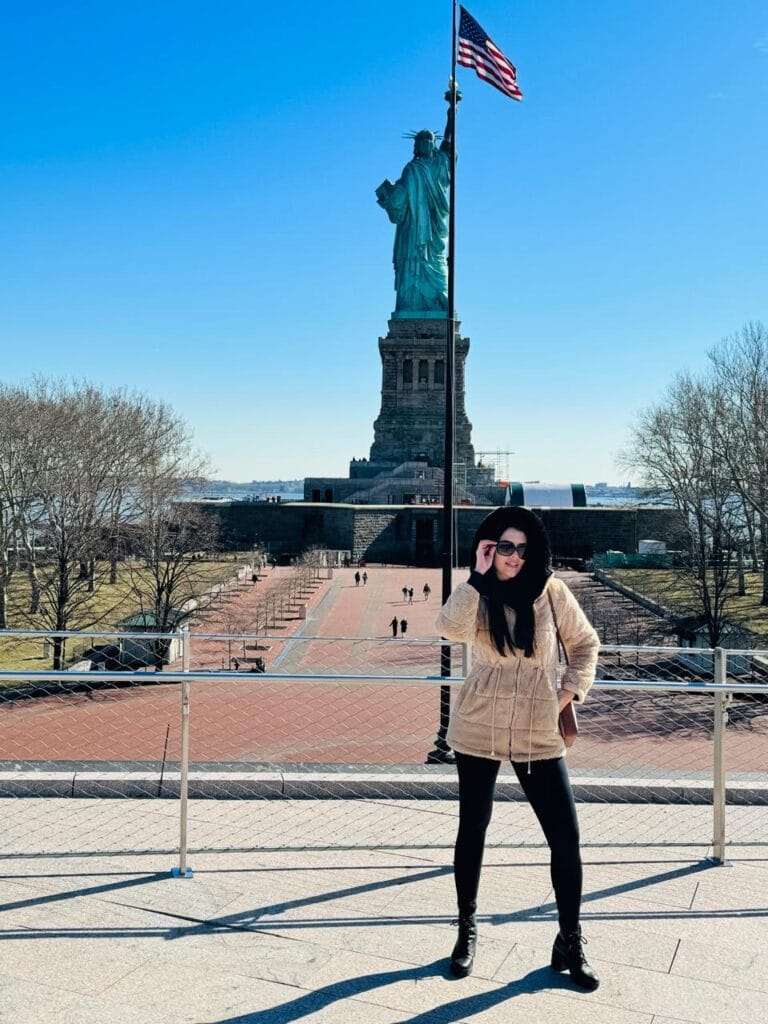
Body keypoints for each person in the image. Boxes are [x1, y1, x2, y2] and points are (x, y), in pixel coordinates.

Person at [436, 506, 600, 990]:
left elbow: (586, 645)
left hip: (537, 725)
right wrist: (477, 579)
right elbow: (448, 629)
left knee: (565, 838)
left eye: (522, 548)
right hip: (479, 723)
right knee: (473, 830)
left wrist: (565, 696)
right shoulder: (478, 591)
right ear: (489, 547)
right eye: (504, 546)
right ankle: (466, 929)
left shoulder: (551, 591)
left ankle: (570, 938)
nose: (514, 557)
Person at [375, 94, 458, 314]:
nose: (425, 143)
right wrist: (388, 197)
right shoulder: (411, 170)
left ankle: (439, 303)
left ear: (433, 144)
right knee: (413, 268)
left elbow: (448, 147)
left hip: (433, 232)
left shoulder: (439, 166)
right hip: (413, 234)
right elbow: (398, 204)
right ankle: (411, 305)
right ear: (416, 146)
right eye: (421, 141)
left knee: (439, 269)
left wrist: (451, 113)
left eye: (429, 140)